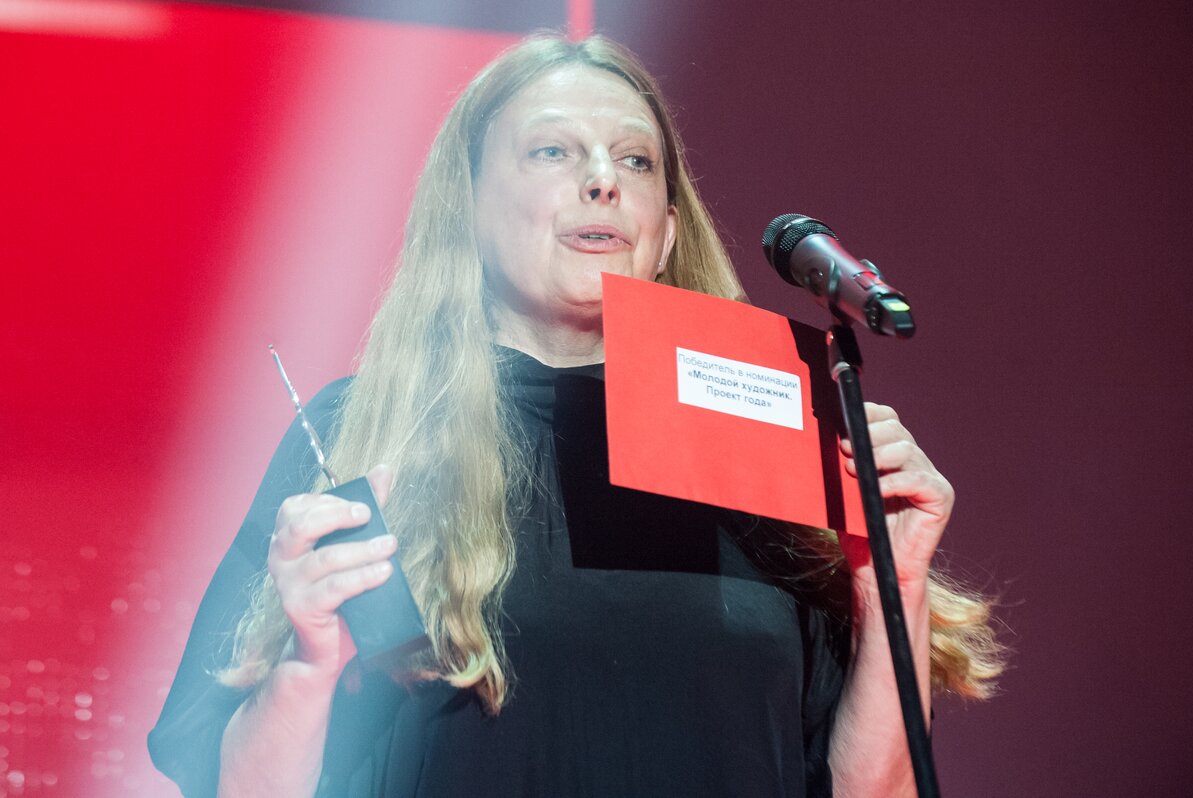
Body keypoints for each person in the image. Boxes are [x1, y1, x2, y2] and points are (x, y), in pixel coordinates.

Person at [149, 34, 1003, 797]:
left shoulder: (775, 442)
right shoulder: (366, 430)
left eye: (635, 161)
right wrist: (307, 666)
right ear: (468, 207)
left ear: (667, 232)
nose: (602, 180)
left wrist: (895, 581)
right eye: (552, 150)